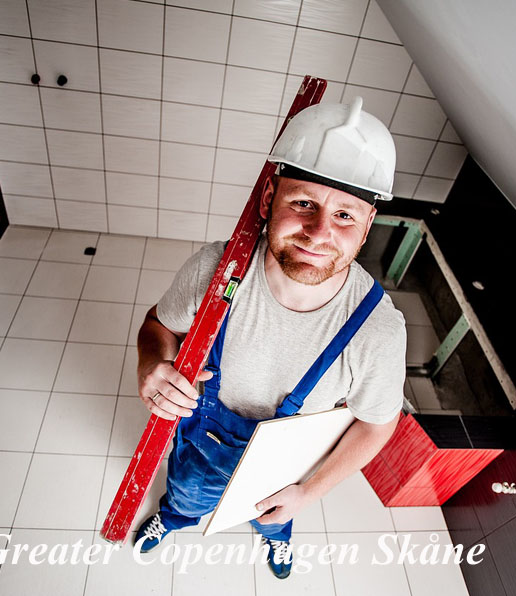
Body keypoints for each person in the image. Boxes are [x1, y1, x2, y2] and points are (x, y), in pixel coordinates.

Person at [133, 97, 407, 579]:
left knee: (276, 517)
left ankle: (276, 538)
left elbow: (377, 425)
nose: (319, 233)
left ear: (366, 229)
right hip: (200, 446)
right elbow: (159, 325)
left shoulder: (378, 332)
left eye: (345, 216)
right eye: (303, 203)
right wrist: (151, 362)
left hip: (287, 471)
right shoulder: (216, 271)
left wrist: (310, 492)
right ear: (268, 201)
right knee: (185, 497)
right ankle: (173, 518)